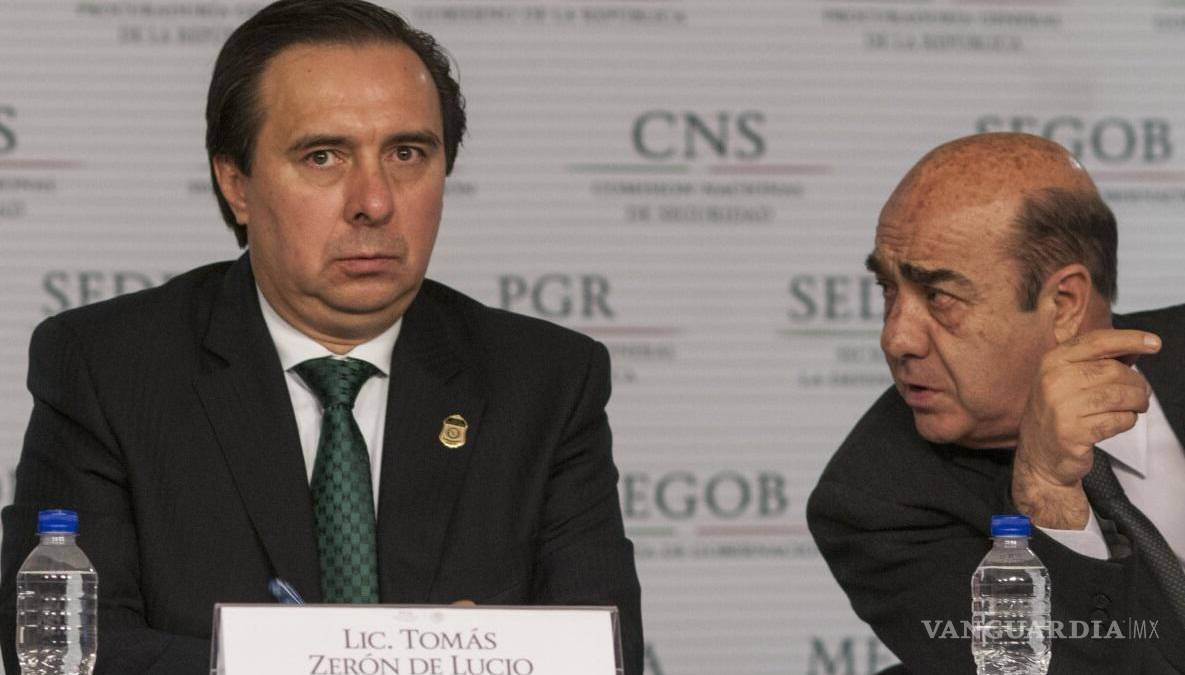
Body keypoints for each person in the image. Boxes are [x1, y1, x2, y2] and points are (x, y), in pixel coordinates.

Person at [0, 2, 643, 674]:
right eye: (323, 156)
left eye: (407, 153)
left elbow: (601, 653)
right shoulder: (108, 368)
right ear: (236, 183)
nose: (375, 201)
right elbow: (63, 654)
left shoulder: (545, 382)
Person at [808, 132, 1185, 674]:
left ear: (1064, 303)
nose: (896, 338)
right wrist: (1047, 496)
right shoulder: (880, 503)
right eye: (888, 289)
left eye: (939, 296)